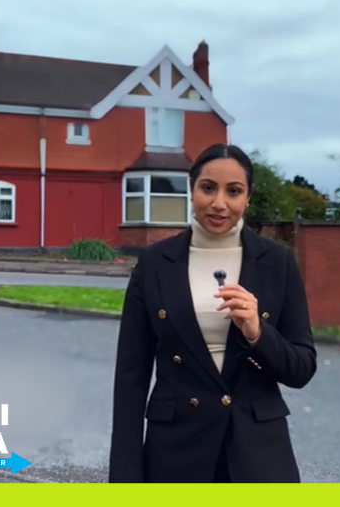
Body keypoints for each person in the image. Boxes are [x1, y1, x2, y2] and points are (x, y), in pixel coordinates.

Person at [108, 144, 317, 483]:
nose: (219, 203)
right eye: (208, 188)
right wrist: (125, 480)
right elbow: (130, 380)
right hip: (176, 453)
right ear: (192, 189)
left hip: (258, 455)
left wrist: (257, 333)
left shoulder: (278, 262)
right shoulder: (154, 263)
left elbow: (302, 369)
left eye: (233, 191)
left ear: (247, 198)